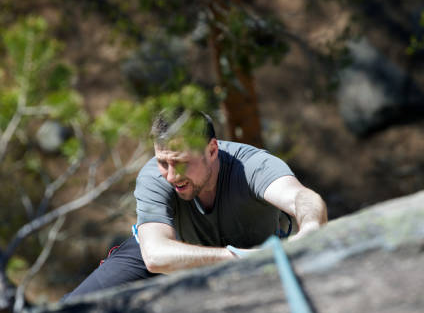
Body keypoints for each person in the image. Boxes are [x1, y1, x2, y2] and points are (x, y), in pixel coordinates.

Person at [62, 110, 327, 301]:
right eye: (163, 162)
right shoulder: (155, 176)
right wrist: (236, 258)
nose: (171, 175)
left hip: (252, 254)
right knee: (71, 311)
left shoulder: (252, 166)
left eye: (180, 163)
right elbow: (155, 256)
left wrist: (311, 229)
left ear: (212, 150)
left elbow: (302, 198)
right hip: (174, 257)